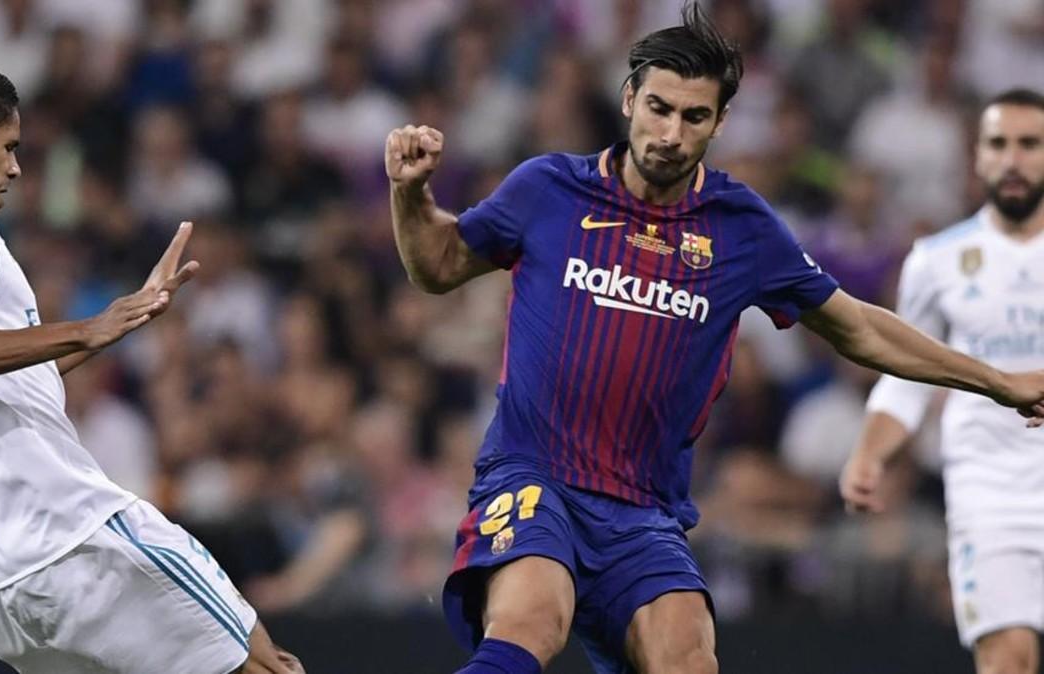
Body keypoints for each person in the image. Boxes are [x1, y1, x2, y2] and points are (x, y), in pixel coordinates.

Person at [385, 5, 1044, 674]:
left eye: (693, 117)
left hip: (643, 513)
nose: (670, 133)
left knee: (690, 658)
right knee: (532, 619)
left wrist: (995, 379)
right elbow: (436, 266)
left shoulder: (739, 226)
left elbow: (858, 326)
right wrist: (410, 197)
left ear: (720, 122)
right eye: (659, 108)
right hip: (534, 477)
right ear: (629, 98)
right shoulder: (548, 189)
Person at [0, 57, 302, 674]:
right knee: (262, 663)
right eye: (7, 145)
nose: (14, 166)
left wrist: (120, 322)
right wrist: (88, 326)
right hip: (65, 535)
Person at [840, 88, 1044, 674]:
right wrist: (869, 453)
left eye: (1029, 144)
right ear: (976, 157)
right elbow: (905, 379)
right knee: (1009, 659)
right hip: (989, 490)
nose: (1013, 159)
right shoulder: (939, 260)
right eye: (998, 144)